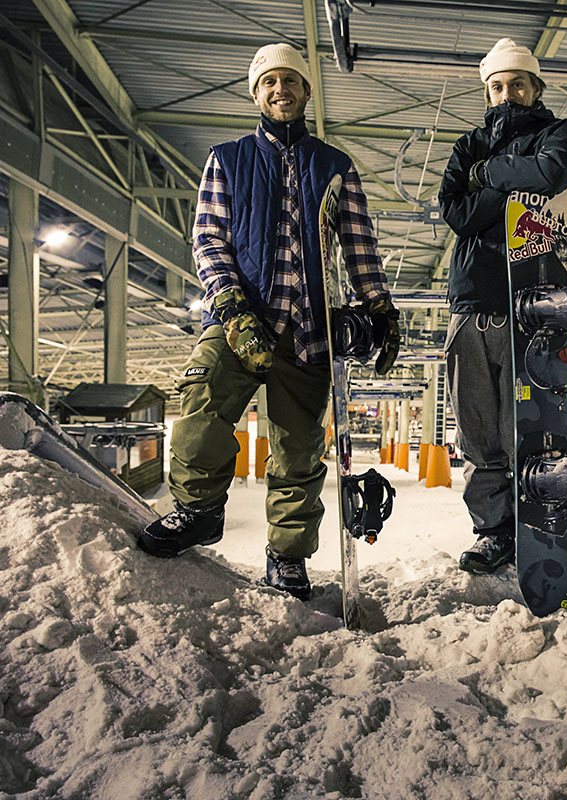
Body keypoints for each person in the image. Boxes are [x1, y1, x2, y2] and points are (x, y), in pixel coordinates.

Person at [138, 43, 400, 601]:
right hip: (238, 321)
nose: (280, 89)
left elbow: (359, 246)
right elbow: (208, 238)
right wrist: (231, 307)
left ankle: (287, 559)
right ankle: (199, 510)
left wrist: (379, 306)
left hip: (308, 330)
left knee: (298, 450)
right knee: (199, 402)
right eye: (269, 82)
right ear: (256, 93)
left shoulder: (335, 166)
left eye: (291, 80)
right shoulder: (227, 158)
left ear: (306, 91)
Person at [438, 38, 567, 574]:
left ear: (536, 87)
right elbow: (456, 213)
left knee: (528, 428)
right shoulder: (466, 144)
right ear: (486, 91)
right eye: (496, 86)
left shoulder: (560, 133)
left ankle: (538, 525)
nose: (507, 93)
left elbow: (551, 174)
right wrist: (514, 178)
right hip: (472, 303)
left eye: (517, 84)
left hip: (533, 304)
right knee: (481, 438)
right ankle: (494, 532)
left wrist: (491, 176)